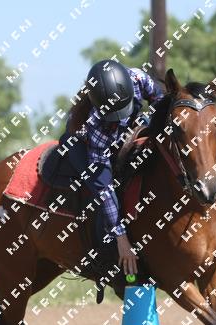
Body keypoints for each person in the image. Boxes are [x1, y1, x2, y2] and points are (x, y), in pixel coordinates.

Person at [59, 59, 163, 288]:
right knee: (99, 190)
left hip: (131, 125)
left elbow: (160, 101)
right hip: (81, 143)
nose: (121, 118)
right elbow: (104, 189)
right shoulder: (93, 124)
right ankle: (105, 256)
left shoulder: (139, 78)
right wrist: (122, 240)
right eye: (114, 114)